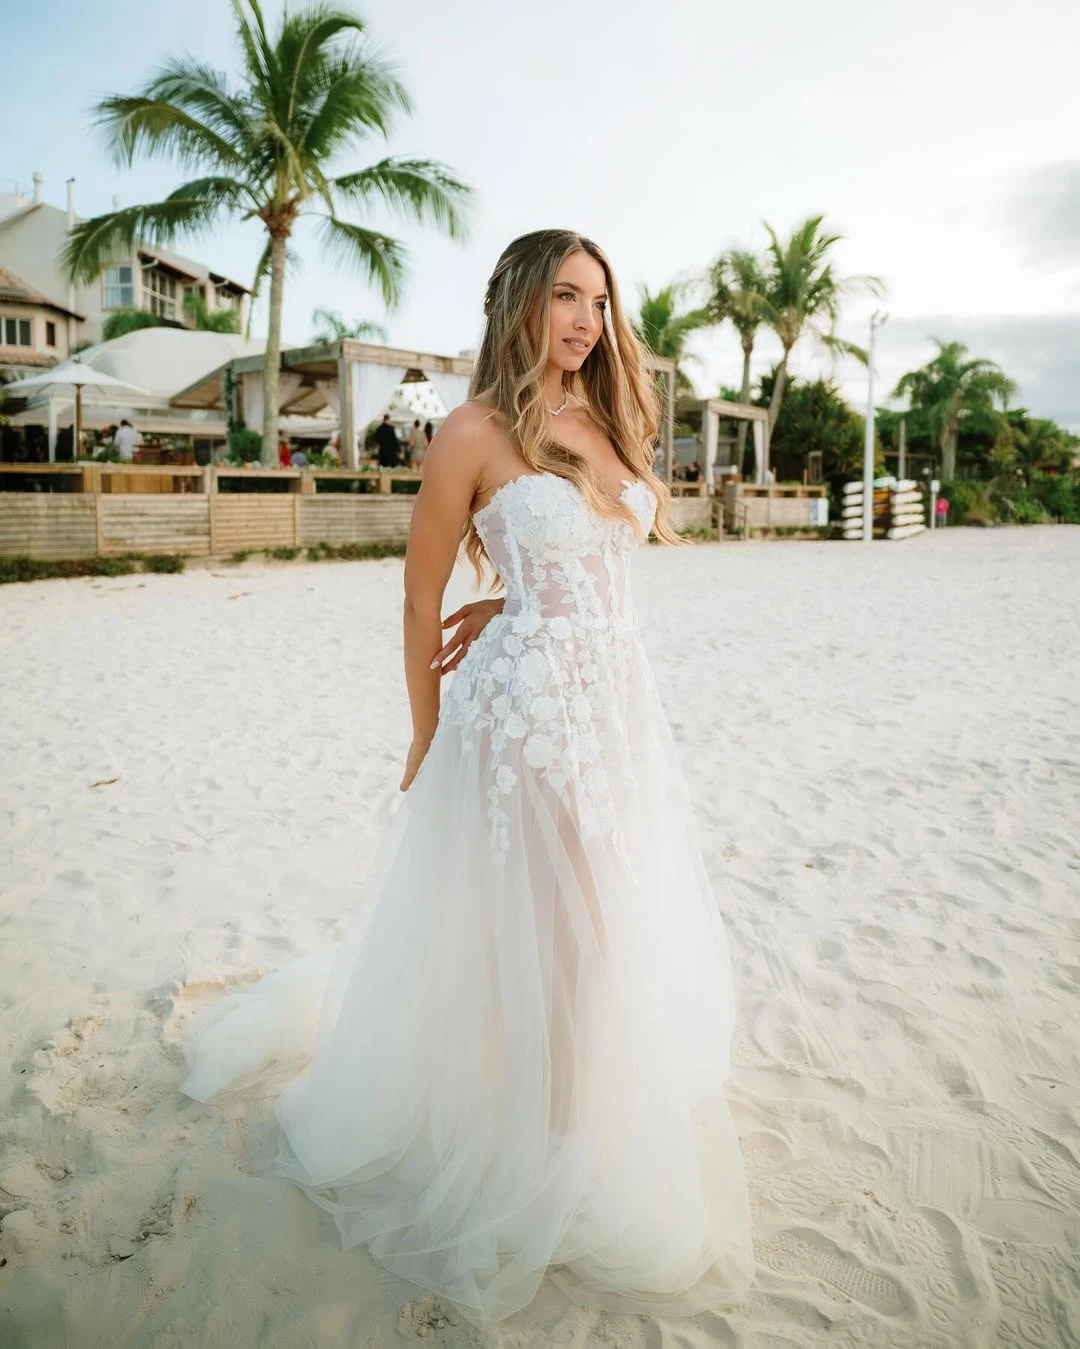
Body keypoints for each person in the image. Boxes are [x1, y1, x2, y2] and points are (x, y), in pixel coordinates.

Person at [180, 229, 753, 1324]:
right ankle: (562, 1144)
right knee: (579, 930)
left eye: (597, 299)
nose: (585, 320)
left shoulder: (608, 420)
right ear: (517, 306)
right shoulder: (470, 430)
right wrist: (424, 728)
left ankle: (559, 1110)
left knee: (595, 919)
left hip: (616, 707)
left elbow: (590, 550)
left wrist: (519, 594)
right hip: (529, 716)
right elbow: (418, 595)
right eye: (563, 298)